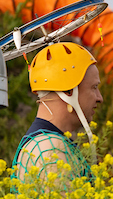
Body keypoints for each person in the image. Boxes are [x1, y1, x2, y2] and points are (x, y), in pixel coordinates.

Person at [12, 41, 103, 183]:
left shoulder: (52, 143)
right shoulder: (50, 149)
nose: (100, 98)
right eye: (94, 87)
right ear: (68, 91)